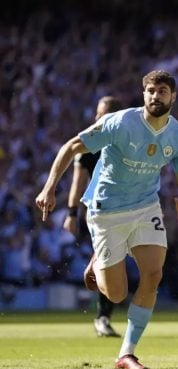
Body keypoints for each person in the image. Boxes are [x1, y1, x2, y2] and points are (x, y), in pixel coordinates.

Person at [36, 70, 178, 369]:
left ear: (173, 97)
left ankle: (126, 353)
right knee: (117, 293)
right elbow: (72, 146)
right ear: (143, 94)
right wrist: (48, 188)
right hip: (106, 211)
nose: (155, 96)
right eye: (150, 90)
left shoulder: (177, 137)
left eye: (162, 91)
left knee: (153, 275)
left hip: (146, 208)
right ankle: (99, 262)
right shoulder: (120, 122)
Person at [63, 96, 126, 338]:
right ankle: (102, 316)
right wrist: (71, 213)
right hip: (100, 209)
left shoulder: (127, 141)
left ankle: (105, 310)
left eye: (103, 114)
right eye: (97, 114)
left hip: (130, 207)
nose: (98, 119)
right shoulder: (89, 142)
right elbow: (78, 181)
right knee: (111, 260)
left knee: (119, 261)